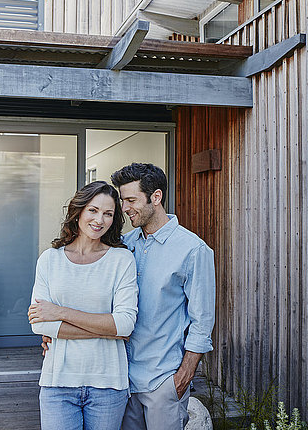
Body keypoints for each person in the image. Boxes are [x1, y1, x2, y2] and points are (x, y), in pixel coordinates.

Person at [110, 163, 215, 430]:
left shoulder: (193, 250)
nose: (125, 208)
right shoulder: (124, 245)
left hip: (163, 382)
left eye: (132, 200)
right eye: (123, 200)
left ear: (156, 197)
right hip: (122, 380)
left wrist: (182, 377)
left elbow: (202, 322)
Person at [28, 181, 138, 430]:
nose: (100, 219)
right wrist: (109, 330)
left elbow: (125, 324)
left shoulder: (121, 260)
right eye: (93, 210)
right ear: (78, 211)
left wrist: (60, 313)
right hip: (58, 384)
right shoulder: (50, 260)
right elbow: (39, 324)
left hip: (108, 385)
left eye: (108, 214)